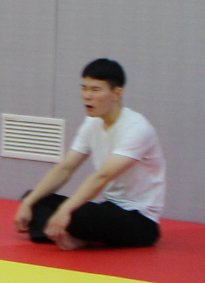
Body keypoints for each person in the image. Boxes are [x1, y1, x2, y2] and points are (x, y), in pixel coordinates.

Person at [15, 58, 165, 250]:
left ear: (117, 93)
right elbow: (65, 168)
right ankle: (73, 235)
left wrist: (65, 210)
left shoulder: (137, 128)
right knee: (36, 198)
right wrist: (28, 203)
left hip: (139, 220)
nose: (87, 96)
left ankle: (74, 236)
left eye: (95, 90)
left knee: (76, 214)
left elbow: (102, 176)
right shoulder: (92, 123)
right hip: (109, 207)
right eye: (84, 88)